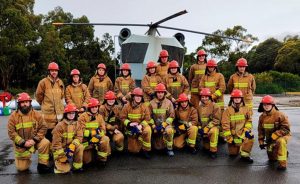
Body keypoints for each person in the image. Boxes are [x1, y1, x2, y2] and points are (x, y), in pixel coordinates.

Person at [7, 92, 51, 173]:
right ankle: (24, 159)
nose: (25, 104)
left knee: (45, 143)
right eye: (22, 102)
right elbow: (11, 133)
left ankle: (42, 165)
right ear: (19, 104)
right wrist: (23, 142)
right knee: (22, 169)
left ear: (30, 103)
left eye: (26, 102)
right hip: (22, 144)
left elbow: (43, 127)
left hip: (35, 140)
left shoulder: (37, 114)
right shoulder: (13, 117)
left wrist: (34, 140)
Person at [258, 95, 291, 170]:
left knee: (280, 142)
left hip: (282, 136)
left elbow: (286, 129)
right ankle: (284, 151)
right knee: (272, 159)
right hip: (270, 140)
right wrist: (261, 142)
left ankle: (282, 164)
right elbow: (260, 131)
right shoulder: (262, 117)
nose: (266, 106)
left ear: (272, 105)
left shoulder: (280, 115)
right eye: (264, 104)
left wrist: (274, 136)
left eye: (268, 104)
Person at [222, 89, 254, 163]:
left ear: (241, 98)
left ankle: (245, 155)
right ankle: (238, 147)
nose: (237, 99)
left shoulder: (246, 109)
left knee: (250, 135)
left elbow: (249, 121)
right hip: (233, 136)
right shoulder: (228, 110)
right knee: (233, 154)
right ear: (232, 99)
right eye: (235, 98)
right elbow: (225, 125)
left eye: (238, 98)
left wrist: (246, 129)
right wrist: (229, 138)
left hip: (243, 134)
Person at [36, 61, 64, 142]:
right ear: (49, 71)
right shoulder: (43, 82)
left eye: (55, 71)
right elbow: (38, 96)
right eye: (52, 71)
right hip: (48, 115)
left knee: (58, 135)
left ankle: (55, 152)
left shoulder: (60, 82)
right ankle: (49, 153)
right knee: (48, 136)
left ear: (58, 71)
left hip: (59, 114)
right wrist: (45, 105)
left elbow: (62, 95)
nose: (54, 72)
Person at [120, 88, 152, 158]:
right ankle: (139, 140)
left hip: (141, 127)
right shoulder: (127, 106)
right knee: (134, 150)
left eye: (140, 96)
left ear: (142, 97)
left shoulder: (144, 106)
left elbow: (147, 119)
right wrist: (129, 124)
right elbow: (122, 118)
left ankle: (146, 150)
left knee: (148, 130)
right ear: (133, 97)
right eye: (136, 96)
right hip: (131, 129)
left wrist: (141, 126)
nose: (138, 98)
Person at [52, 104, 84, 173]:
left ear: (75, 114)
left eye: (73, 113)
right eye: (69, 113)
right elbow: (56, 143)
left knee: (80, 147)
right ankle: (57, 165)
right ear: (65, 114)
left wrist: (73, 145)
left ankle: (77, 167)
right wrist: (62, 155)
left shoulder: (77, 124)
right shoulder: (60, 126)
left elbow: (79, 137)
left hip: (71, 147)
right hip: (61, 150)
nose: (71, 115)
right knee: (64, 171)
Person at [78, 98, 110, 166]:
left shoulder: (100, 117)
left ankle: (102, 160)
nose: (94, 108)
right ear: (89, 108)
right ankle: (93, 152)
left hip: (97, 138)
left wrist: (98, 136)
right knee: (87, 161)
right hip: (87, 141)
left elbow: (103, 130)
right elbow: (82, 131)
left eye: (96, 107)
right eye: (92, 107)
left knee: (105, 139)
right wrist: (94, 133)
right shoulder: (82, 117)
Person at [149, 83, 175, 156]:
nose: (160, 94)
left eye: (162, 92)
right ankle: (149, 148)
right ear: (156, 93)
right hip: (155, 126)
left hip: (166, 125)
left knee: (169, 131)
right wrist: (153, 126)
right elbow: (149, 117)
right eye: (158, 92)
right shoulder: (151, 103)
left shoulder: (169, 103)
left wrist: (164, 125)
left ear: (164, 93)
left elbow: (171, 116)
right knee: (158, 147)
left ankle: (169, 148)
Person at [197, 88, 221, 159]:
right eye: (203, 97)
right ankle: (206, 144)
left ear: (209, 97)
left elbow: (216, 120)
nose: (204, 98)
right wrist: (199, 128)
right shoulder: (199, 107)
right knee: (206, 147)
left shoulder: (215, 106)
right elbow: (198, 120)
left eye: (206, 97)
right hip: (203, 129)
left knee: (214, 131)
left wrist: (207, 128)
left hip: (212, 127)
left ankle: (213, 151)